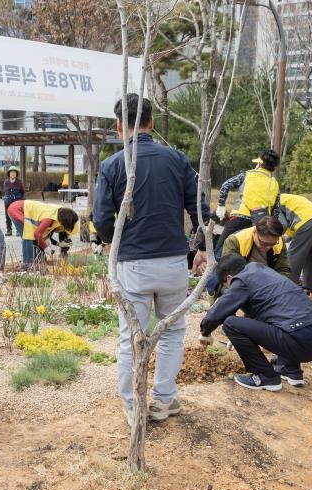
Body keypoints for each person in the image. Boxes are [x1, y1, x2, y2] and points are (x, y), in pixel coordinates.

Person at [93, 93, 209, 426]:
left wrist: (114, 238)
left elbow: (101, 220)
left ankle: (133, 406)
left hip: (133, 264)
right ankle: (163, 400)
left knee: (131, 337)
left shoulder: (114, 165)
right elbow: (199, 209)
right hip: (174, 261)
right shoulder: (176, 159)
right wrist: (197, 246)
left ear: (119, 126)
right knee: (172, 333)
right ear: (152, 123)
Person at [200, 255, 312, 390]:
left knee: (230, 323)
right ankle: (291, 371)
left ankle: (266, 376)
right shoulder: (261, 270)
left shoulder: (240, 280)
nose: (229, 288)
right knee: (281, 317)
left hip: (300, 342)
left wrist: (205, 331)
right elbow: (262, 312)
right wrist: (241, 336)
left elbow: (219, 310)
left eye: (226, 286)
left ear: (228, 278)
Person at [214, 149, 281, 258]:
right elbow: (276, 209)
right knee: (248, 255)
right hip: (260, 224)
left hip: (239, 218)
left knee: (221, 251)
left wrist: (221, 205)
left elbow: (226, 185)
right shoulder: (274, 183)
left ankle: (216, 274)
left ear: (260, 164)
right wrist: (271, 227)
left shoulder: (247, 175)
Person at [207, 216, 291, 298]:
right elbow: (229, 273)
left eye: (272, 244)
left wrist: (276, 286)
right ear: (255, 233)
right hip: (238, 281)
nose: (268, 247)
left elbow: (283, 269)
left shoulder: (279, 241)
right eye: (263, 243)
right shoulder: (235, 241)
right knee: (232, 294)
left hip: (266, 284)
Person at [7, 199, 79, 266]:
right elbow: (37, 234)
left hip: (22, 208)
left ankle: (33, 263)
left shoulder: (62, 213)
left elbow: (44, 233)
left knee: (32, 238)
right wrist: (46, 247)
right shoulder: (49, 218)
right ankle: (28, 265)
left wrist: (47, 241)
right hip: (17, 210)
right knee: (28, 237)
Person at [277, 193, 312, 292]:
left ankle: (287, 287)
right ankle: (307, 286)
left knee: (293, 255)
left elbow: (283, 224)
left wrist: (276, 239)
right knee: (311, 255)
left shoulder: (275, 202)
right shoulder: (287, 197)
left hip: (306, 222)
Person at [1, 166, 25, 236]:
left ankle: (18, 230)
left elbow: (22, 191)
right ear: (9, 174)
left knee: (18, 216)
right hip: (8, 201)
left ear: (16, 174)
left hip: (17, 201)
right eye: (11, 172)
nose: (13, 174)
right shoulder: (6, 182)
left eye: (14, 172)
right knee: (7, 215)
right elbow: (5, 191)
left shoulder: (19, 182)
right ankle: (9, 230)